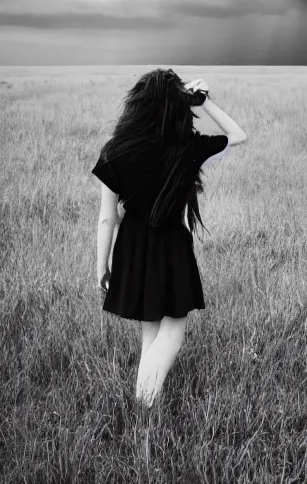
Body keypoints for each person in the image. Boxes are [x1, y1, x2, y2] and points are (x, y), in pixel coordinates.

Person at [91, 67, 247, 408]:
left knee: (151, 331)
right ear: (178, 104)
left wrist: (102, 266)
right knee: (172, 333)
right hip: (171, 245)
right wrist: (204, 102)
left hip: (131, 245)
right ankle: (143, 406)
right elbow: (237, 135)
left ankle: (145, 409)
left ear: (139, 105)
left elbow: (107, 218)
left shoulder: (115, 149)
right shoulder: (186, 146)